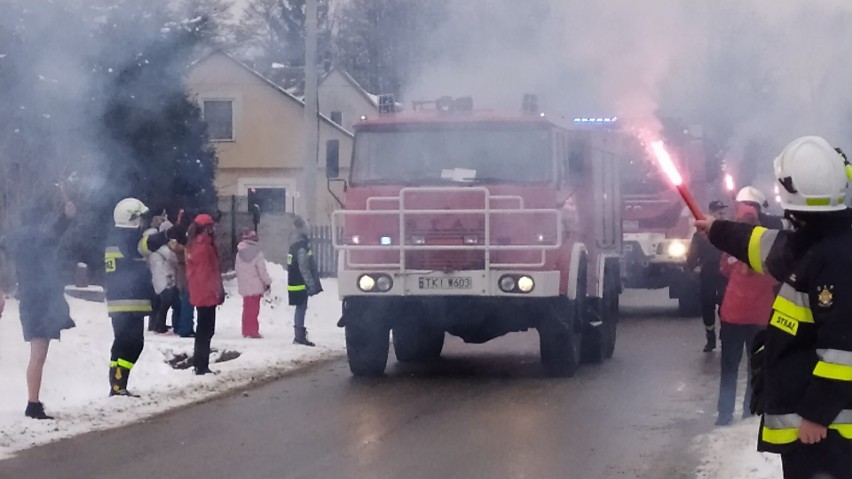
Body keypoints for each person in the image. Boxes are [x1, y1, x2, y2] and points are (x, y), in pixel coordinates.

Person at [695, 136, 852, 479]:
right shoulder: (816, 241)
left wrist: (816, 413)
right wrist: (717, 230)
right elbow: (763, 245)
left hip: (827, 433)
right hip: (815, 432)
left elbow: (843, 351)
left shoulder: (836, 259)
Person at [1, 195, 76, 419]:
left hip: (29, 300)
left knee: (37, 354)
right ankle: (33, 404)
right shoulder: (41, 237)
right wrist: (67, 216)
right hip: (43, 301)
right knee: (38, 355)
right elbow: (57, 230)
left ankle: (34, 402)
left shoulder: (13, 239)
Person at [715, 201, 778, 426]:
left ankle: (724, 415)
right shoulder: (769, 246)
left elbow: (723, 270)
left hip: (733, 315)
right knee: (756, 367)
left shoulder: (731, 247)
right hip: (761, 317)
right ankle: (750, 412)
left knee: (729, 366)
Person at [105, 197, 172, 396]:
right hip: (129, 300)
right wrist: (167, 234)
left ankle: (118, 383)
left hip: (119, 301)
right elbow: (147, 244)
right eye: (141, 218)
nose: (143, 222)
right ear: (132, 220)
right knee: (132, 343)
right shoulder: (127, 238)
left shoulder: (114, 238)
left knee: (122, 342)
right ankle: (118, 383)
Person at [687, 200, 728, 352]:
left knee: (726, 307)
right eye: (719, 212)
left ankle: (725, 338)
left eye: (724, 212)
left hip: (725, 273)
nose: (722, 215)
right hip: (709, 272)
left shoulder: (729, 230)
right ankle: (710, 338)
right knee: (707, 305)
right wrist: (693, 266)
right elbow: (692, 252)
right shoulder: (702, 232)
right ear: (711, 213)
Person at [185, 213, 224, 375]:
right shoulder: (204, 246)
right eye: (210, 226)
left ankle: (200, 364)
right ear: (205, 228)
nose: (213, 229)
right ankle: (201, 365)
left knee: (203, 330)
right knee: (205, 330)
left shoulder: (193, 244)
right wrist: (217, 290)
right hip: (206, 293)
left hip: (199, 292)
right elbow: (208, 272)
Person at [288, 216, 322, 347]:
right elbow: (304, 268)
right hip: (300, 284)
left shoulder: (293, 244)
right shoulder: (301, 247)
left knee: (300, 308)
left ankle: (299, 334)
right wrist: (311, 284)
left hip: (295, 283)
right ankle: (299, 336)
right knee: (301, 308)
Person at [235, 229, 272, 338]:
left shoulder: (239, 253)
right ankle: (253, 332)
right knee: (254, 310)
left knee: (246, 309)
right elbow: (262, 271)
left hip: (244, 286)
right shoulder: (257, 253)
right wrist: (267, 282)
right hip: (255, 286)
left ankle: (246, 330)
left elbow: (237, 269)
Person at [146, 222, 179, 334]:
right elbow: (174, 258)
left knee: (158, 304)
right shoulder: (164, 249)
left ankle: (153, 324)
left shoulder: (151, 252)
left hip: (156, 280)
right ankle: (160, 325)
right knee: (165, 304)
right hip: (165, 280)